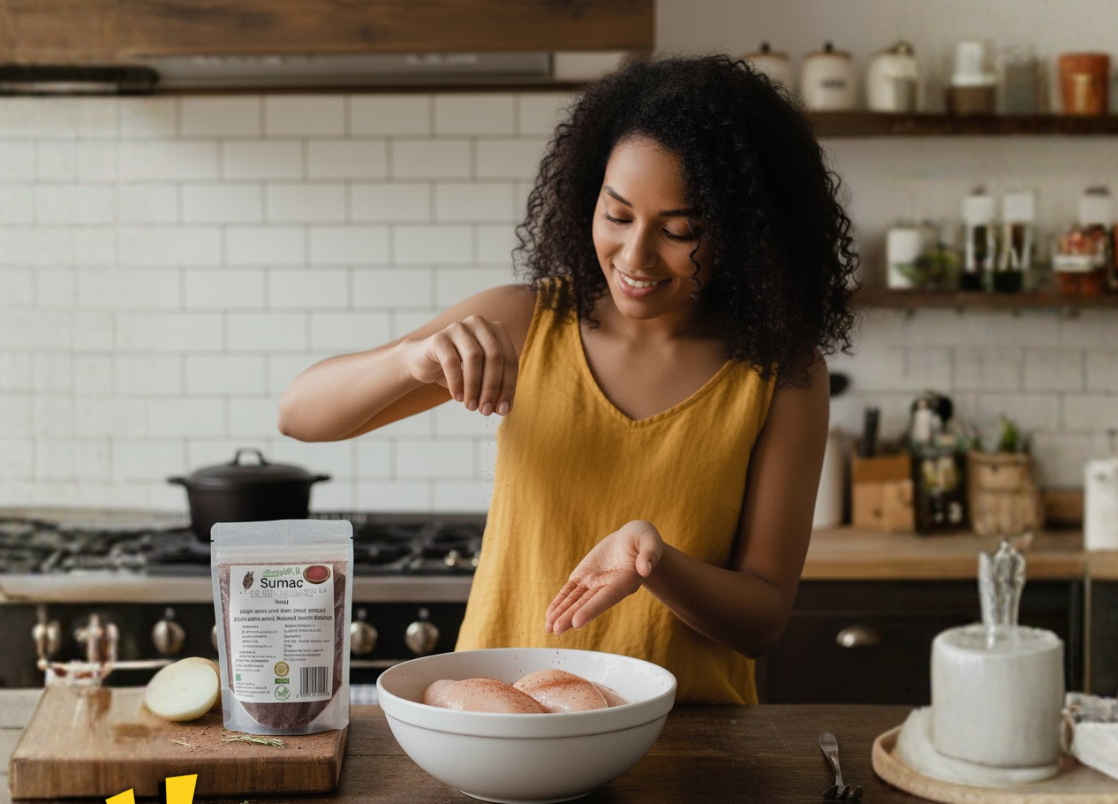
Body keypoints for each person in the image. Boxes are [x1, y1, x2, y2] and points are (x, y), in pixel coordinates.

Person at [277, 56, 857, 704]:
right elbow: (299, 414)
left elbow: (762, 620)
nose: (634, 257)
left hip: (690, 750)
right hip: (503, 725)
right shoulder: (528, 323)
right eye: (617, 215)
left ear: (747, 234)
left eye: (679, 230)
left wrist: (654, 564)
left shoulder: (783, 374)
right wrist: (409, 359)